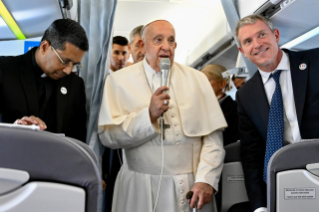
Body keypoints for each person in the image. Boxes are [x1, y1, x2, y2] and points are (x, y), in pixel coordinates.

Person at [98, 19, 227, 212]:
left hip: (191, 186)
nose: (166, 46)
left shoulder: (198, 79)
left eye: (171, 40)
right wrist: (148, 116)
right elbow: (109, 136)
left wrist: (206, 180)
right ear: (142, 45)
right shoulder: (117, 81)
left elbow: (213, 140)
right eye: (158, 40)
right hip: (139, 187)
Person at [234, 14, 319, 212]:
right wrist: (260, 206)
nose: (257, 44)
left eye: (262, 34)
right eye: (248, 41)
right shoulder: (246, 95)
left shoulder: (315, 62)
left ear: (276, 35)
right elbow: (252, 155)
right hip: (285, 181)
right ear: (242, 51)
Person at [0, 19, 88, 142]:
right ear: (45, 47)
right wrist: (12, 131)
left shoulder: (75, 85)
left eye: (75, 64)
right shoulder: (4, 70)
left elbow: (79, 140)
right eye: (65, 61)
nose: (68, 71)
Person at [202, 64, 239, 146]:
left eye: (207, 80)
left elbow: (232, 139)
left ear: (221, 84)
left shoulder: (234, 107)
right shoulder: (200, 108)